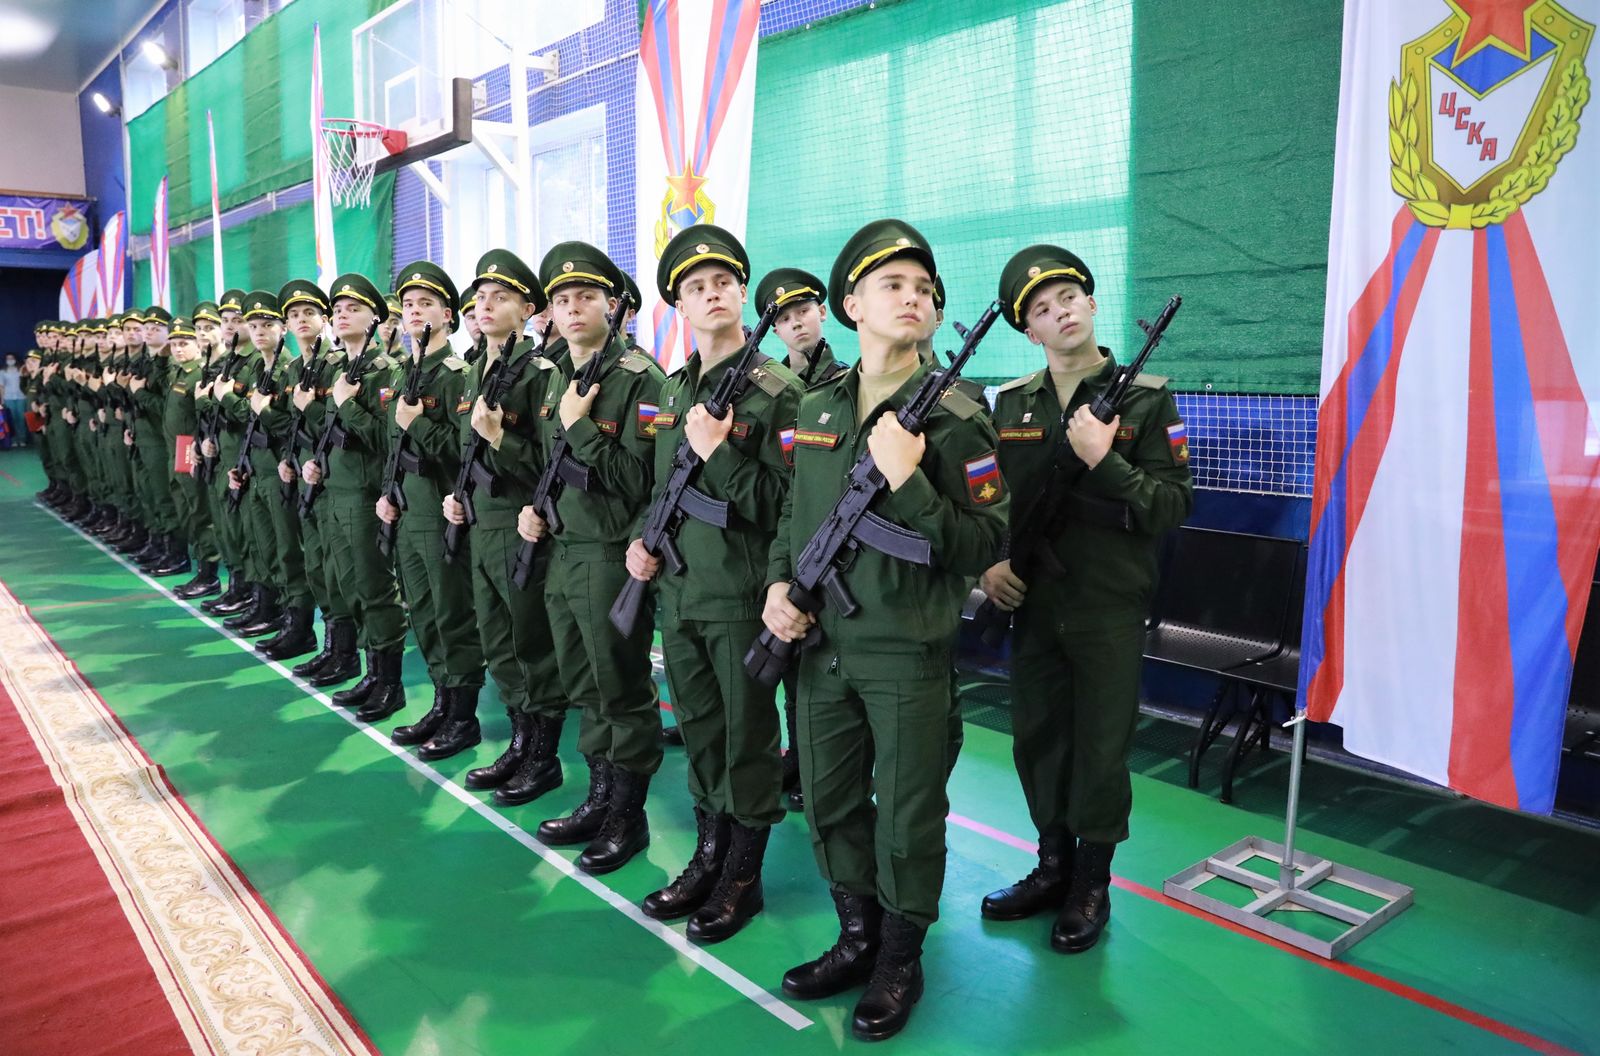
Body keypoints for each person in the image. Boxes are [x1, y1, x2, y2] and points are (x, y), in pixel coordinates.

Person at [761, 219, 1006, 1041]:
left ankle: (899, 957)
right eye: (893, 286)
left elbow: (984, 543)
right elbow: (794, 514)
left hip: (906, 651)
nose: (913, 298)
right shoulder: (819, 404)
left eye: (924, 289)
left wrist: (910, 482)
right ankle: (856, 935)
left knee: (906, 817)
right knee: (829, 802)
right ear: (851, 305)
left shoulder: (960, 416)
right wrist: (777, 585)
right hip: (821, 646)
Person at [978, 245, 1192, 952]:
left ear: (1093, 304)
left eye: (1069, 297)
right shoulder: (1012, 403)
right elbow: (990, 500)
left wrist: (1107, 461)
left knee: (1101, 745)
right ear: (1029, 332)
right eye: (1042, 309)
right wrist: (989, 564)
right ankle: (1052, 867)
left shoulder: (1147, 399)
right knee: (1038, 738)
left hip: (1107, 604)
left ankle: (1090, 882)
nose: (1060, 312)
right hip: (1033, 604)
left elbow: (1171, 506)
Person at [628, 225, 803, 941]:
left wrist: (720, 454)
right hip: (680, 591)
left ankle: (741, 877)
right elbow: (660, 483)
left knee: (747, 739)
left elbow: (793, 504)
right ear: (680, 306)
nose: (712, 294)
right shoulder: (673, 389)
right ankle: (708, 854)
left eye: (723, 283)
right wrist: (643, 539)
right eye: (696, 288)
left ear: (741, 293)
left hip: (741, 596)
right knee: (699, 730)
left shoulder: (781, 392)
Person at [516, 241, 665, 875]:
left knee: (620, 688)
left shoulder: (641, 379)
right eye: (562, 299)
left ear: (612, 304)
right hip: (562, 548)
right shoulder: (557, 375)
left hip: (610, 555)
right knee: (583, 683)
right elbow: (551, 465)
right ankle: (601, 798)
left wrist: (579, 426)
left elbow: (641, 478)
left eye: (586, 296)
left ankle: (628, 817)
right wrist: (536, 509)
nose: (573, 308)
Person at [441, 249, 567, 801]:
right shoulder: (474, 373)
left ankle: (543, 757)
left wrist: (499, 437)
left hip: (522, 530)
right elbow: (464, 454)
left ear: (528, 310)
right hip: (479, 527)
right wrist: (458, 497)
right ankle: (520, 742)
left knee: (531, 642)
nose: (486, 305)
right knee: (497, 642)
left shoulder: (543, 375)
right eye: (481, 297)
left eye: (502, 297)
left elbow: (551, 465)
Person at [379, 261, 488, 760]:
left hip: (443, 516)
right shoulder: (404, 372)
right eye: (408, 304)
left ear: (448, 315)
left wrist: (416, 423)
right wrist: (387, 492)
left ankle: (463, 716)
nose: (415, 311)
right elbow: (393, 445)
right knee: (423, 612)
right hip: (407, 511)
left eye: (426, 303)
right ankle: (442, 703)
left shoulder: (457, 376)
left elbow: (462, 450)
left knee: (452, 615)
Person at [751, 266, 849, 812]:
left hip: (832, 539)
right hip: (778, 538)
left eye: (804, 312)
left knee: (821, 662)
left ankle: (818, 762)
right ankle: (795, 752)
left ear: (823, 313)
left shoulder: (847, 382)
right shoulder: (765, 387)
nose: (797, 324)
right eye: (785, 318)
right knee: (784, 655)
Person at [301, 274, 410, 723]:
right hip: (334, 492)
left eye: (354, 308)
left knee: (375, 589)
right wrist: (316, 464)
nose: (343, 314)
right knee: (349, 586)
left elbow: (387, 439)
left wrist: (347, 404)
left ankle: (391, 684)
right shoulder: (340, 371)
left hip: (366, 497)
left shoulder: (386, 372)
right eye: (339, 310)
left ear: (375, 319)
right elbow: (333, 435)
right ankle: (370, 671)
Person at [3, 353, 29, 447]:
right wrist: (1, 399)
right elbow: (1, 386)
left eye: (12, 358)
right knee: (12, 419)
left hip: (21, 397)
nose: (10, 360)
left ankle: (22, 439)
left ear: (15, 359)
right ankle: (13, 440)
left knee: (21, 419)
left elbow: (26, 382)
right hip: (8, 397)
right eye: (8, 359)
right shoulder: (2, 372)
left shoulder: (21, 369)